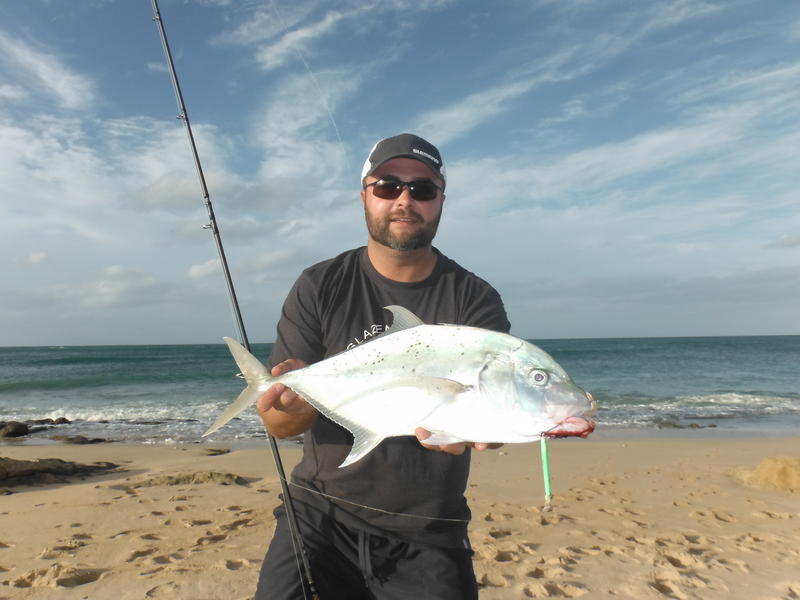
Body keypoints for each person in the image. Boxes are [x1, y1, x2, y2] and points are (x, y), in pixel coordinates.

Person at [254, 133, 510, 600]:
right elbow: (278, 425)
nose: (405, 200)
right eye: (388, 186)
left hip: (430, 529)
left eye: (423, 189)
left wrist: (476, 430)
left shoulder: (475, 298)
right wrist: (293, 402)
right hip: (318, 515)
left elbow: (486, 412)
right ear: (364, 196)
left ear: (441, 202)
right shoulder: (320, 285)